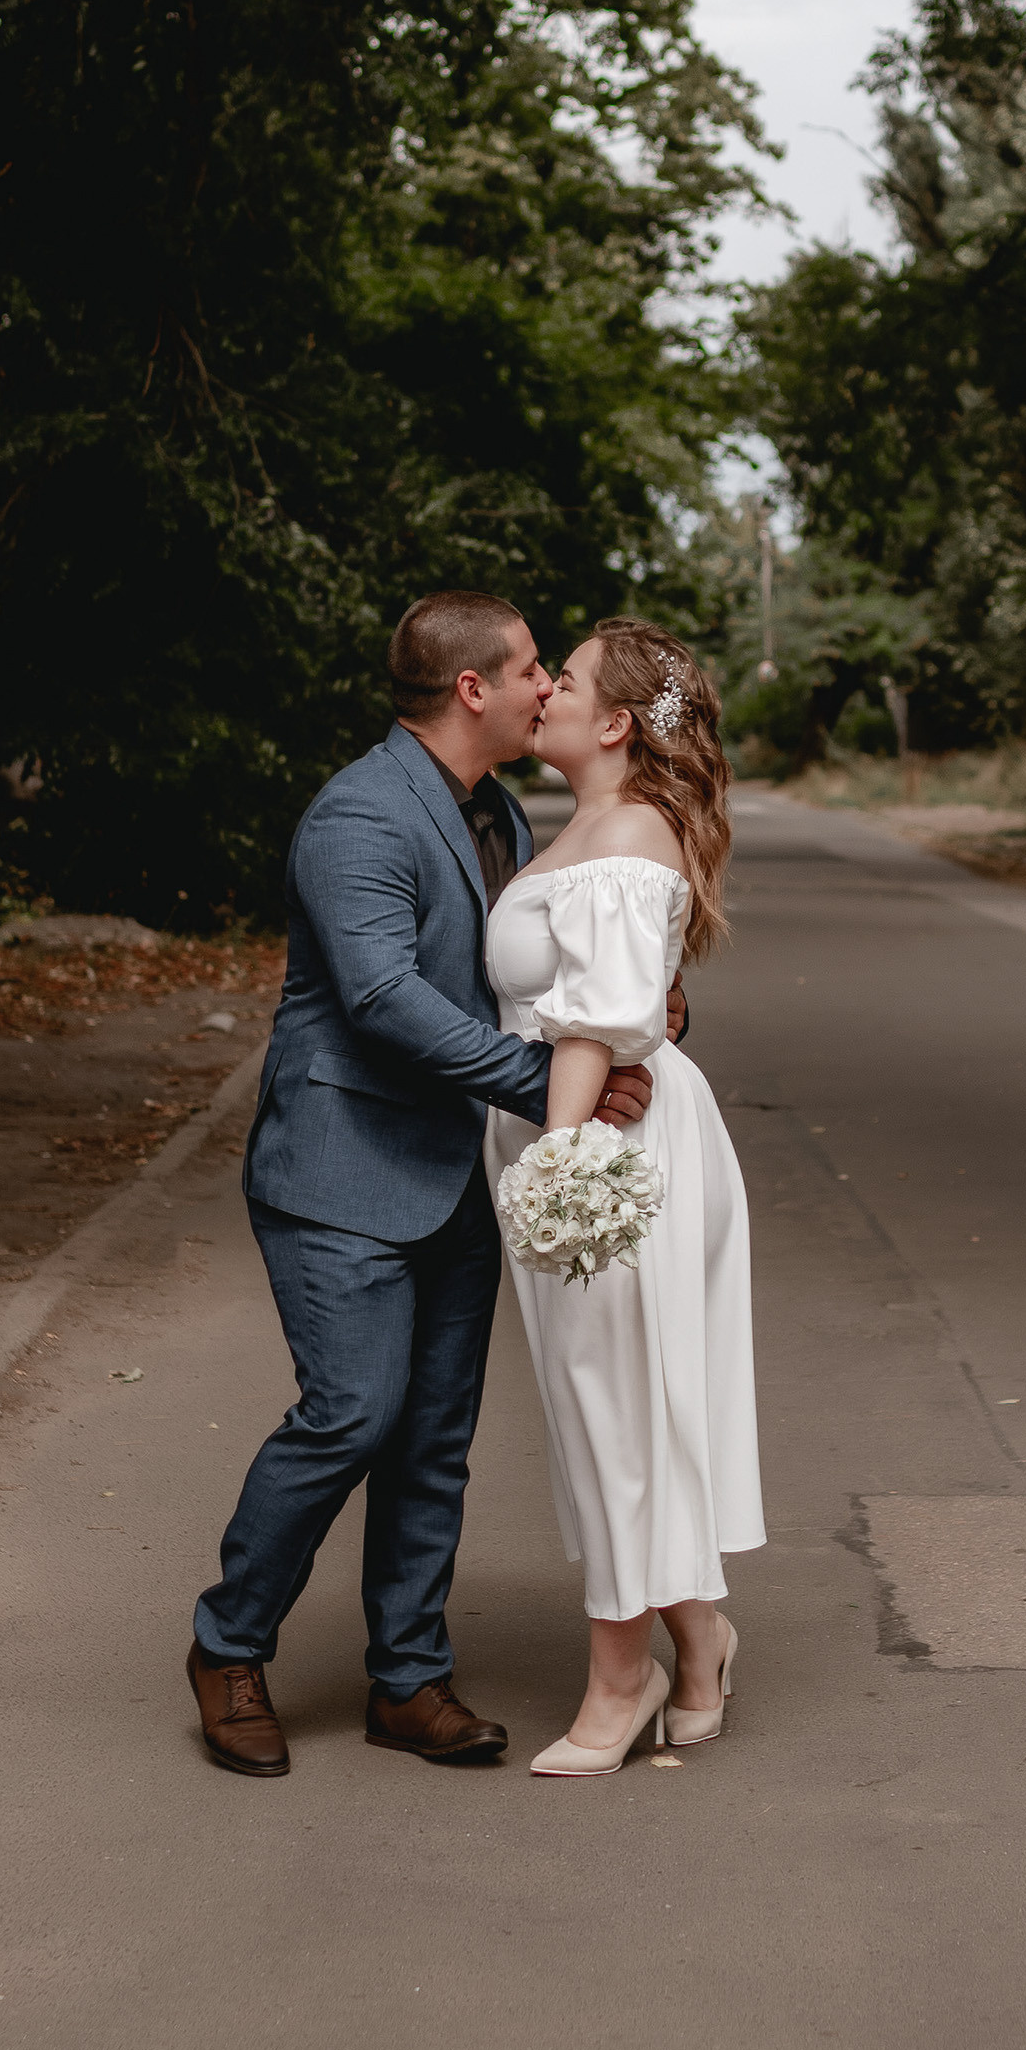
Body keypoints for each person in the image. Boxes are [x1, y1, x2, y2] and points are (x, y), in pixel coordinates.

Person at [185, 591, 670, 1780]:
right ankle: (228, 1645)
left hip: (453, 1170)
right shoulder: (360, 811)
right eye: (530, 667)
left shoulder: (492, 804)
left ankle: (406, 1678)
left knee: (434, 1437)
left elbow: (544, 957)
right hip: (337, 1165)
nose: (546, 685)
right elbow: (382, 998)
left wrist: (637, 1013)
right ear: (471, 688)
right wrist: (540, 1084)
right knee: (351, 1411)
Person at [485, 617, 764, 1777]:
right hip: (593, 1130)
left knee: (615, 1411)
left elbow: (599, 1019)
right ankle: (699, 1638)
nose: (542, 690)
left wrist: (559, 1159)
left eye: (564, 678)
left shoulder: (626, 829)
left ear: (610, 722)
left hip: (611, 1148)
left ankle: (620, 1677)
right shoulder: (577, 824)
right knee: (610, 1403)